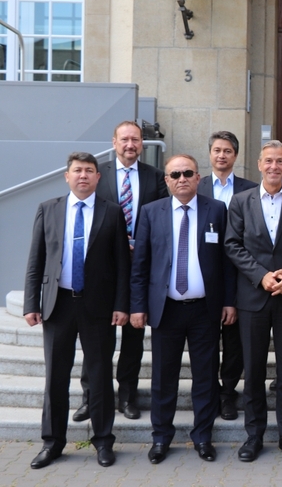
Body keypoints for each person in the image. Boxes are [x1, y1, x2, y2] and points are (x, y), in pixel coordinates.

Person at [23, 152, 130, 469]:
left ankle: (102, 442)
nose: (83, 175)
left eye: (89, 171)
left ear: (98, 177)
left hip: (98, 308)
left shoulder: (112, 212)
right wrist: (32, 303)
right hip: (58, 306)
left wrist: (121, 305)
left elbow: (123, 265)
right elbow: (35, 261)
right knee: (55, 377)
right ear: (67, 176)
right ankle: (52, 443)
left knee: (99, 377)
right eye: (77, 171)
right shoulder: (49, 209)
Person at [130, 154, 236, 464]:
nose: (181, 179)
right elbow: (141, 265)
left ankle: (203, 436)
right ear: (166, 180)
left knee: (205, 377)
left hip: (205, 309)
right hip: (167, 310)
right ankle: (161, 437)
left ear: (198, 176)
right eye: (175, 174)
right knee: (164, 378)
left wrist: (229, 301)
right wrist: (138, 306)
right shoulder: (151, 212)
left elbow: (227, 262)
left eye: (187, 173)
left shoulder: (216, 209)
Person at [226, 140, 282, 462]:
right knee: (253, 370)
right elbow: (232, 245)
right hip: (253, 298)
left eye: (280, 161)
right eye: (269, 161)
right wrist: (261, 275)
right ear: (260, 164)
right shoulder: (240, 202)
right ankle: (254, 436)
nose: (275, 166)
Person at [74, 121, 168, 423]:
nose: (131, 145)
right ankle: (91, 397)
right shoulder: (98, 175)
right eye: (125, 139)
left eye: (136, 140)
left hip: (140, 270)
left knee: (132, 339)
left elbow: (161, 220)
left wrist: (141, 244)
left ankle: (127, 395)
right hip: (102, 271)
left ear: (142, 144)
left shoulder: (155, 177)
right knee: (96, 340)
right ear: (114, 142)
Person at [197, 131, 258, 421]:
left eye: (228, 151)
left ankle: (228, 394)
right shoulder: (196, 186)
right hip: (203, 277)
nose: (222, 155)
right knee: (207, 343)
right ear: (210, 154)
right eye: (217, 150)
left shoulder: (251, 189)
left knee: (234, 345)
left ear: (236, 156)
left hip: (239, 276)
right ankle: (209, 392)